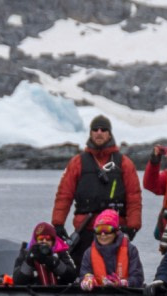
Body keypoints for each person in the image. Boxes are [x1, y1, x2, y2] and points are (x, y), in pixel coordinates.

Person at [51, 114, 143, 268]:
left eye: (103, 129)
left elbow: (134, 197)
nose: (99, 132)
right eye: (95, 129)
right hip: (84, 229)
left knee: (115, 271)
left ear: (109, 133)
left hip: (113, 230)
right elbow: (64, 195)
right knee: (76, 270)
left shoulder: (124, 163)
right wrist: (58, 223)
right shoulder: (77, 162)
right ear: (91, 133)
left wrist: (133, 226)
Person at [78, 209, 144, 291]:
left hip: (125, 295)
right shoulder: (89, 253)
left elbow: (138, 278)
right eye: (98, 230)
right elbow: (84, 273)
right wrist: (87, 280)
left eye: (106, 230)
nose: (102, 234)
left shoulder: (130, 250)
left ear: (116, 231)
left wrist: (122, 283)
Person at [12, 222, 77, 286]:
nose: (44, 241)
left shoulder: (61, 252)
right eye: (41, 239)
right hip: (34, 293)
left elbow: (72, 277)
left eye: (48, 239)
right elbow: (18, 281)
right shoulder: (26, 253)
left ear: (53, 241)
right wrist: (29, 262)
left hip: (58, 292)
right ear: (35, 240)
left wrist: (54, 262)